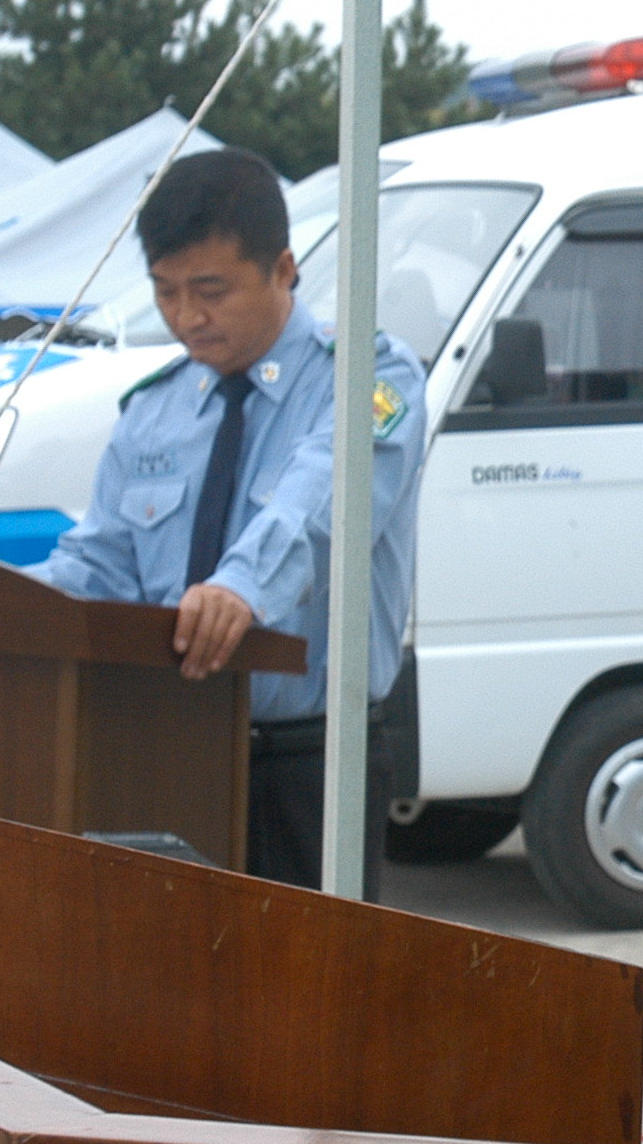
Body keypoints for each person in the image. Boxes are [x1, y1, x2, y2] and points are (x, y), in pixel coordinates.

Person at [36, 148, 428, 896]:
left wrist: (240, 590)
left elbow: (322, 504)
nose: (187, 317)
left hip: (308, 762)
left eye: (210, 291)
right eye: (165, 292)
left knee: (307, 997)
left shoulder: (369, 379)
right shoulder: (154, 411)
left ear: (283, 269)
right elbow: (97, 568)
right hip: (160, 745)